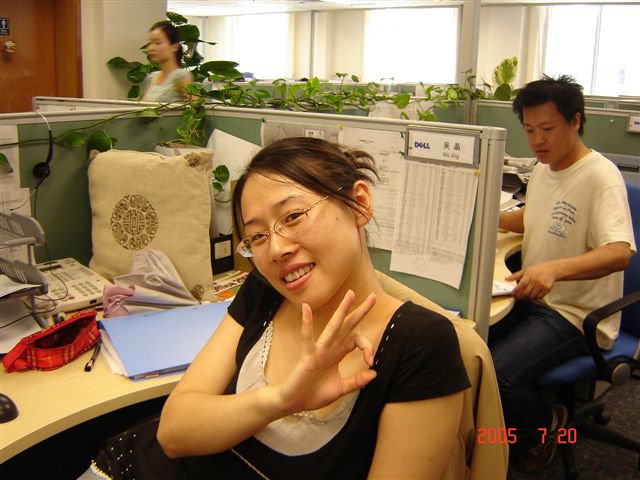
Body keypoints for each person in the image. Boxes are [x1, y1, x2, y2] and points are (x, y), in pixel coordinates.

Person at [80, 137, 471, 479]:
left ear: (358, 204)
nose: (277, 249)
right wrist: (283, 399)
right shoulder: (266, 291)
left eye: (293, 216)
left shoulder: (419, 343)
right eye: (257, 237)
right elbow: (173, 433)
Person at [489, 75, 636, 473]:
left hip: (575, 315)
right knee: (470, 345)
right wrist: (485, 215)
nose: (537, 140)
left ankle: (546, 428)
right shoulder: (544, 169)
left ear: (575, 122)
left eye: (547, 129)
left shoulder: (600, 177)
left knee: (501, 374)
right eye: (530, 130)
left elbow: (620, 252)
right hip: (533, 299)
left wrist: (554, 269)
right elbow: (530, 218)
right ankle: (501, 429)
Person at [141, 21, 192, 103]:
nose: (151, 48)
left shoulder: (180, 76)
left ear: (174, 47)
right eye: (150, 43)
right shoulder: (152, 77)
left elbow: (197, 107)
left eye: (158, 43)